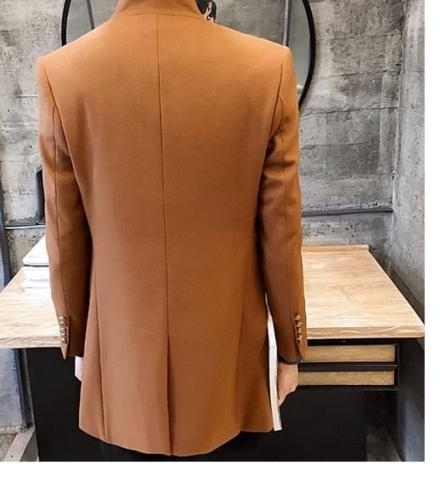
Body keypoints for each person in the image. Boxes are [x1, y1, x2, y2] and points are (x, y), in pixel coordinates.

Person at [36, 0, 307, 460]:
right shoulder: (268, 66)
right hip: (228, 365)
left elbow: (64, 231)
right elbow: (280, 229)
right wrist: (289, 346)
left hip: (122, 360)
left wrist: (79, 340)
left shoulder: (62, 72)